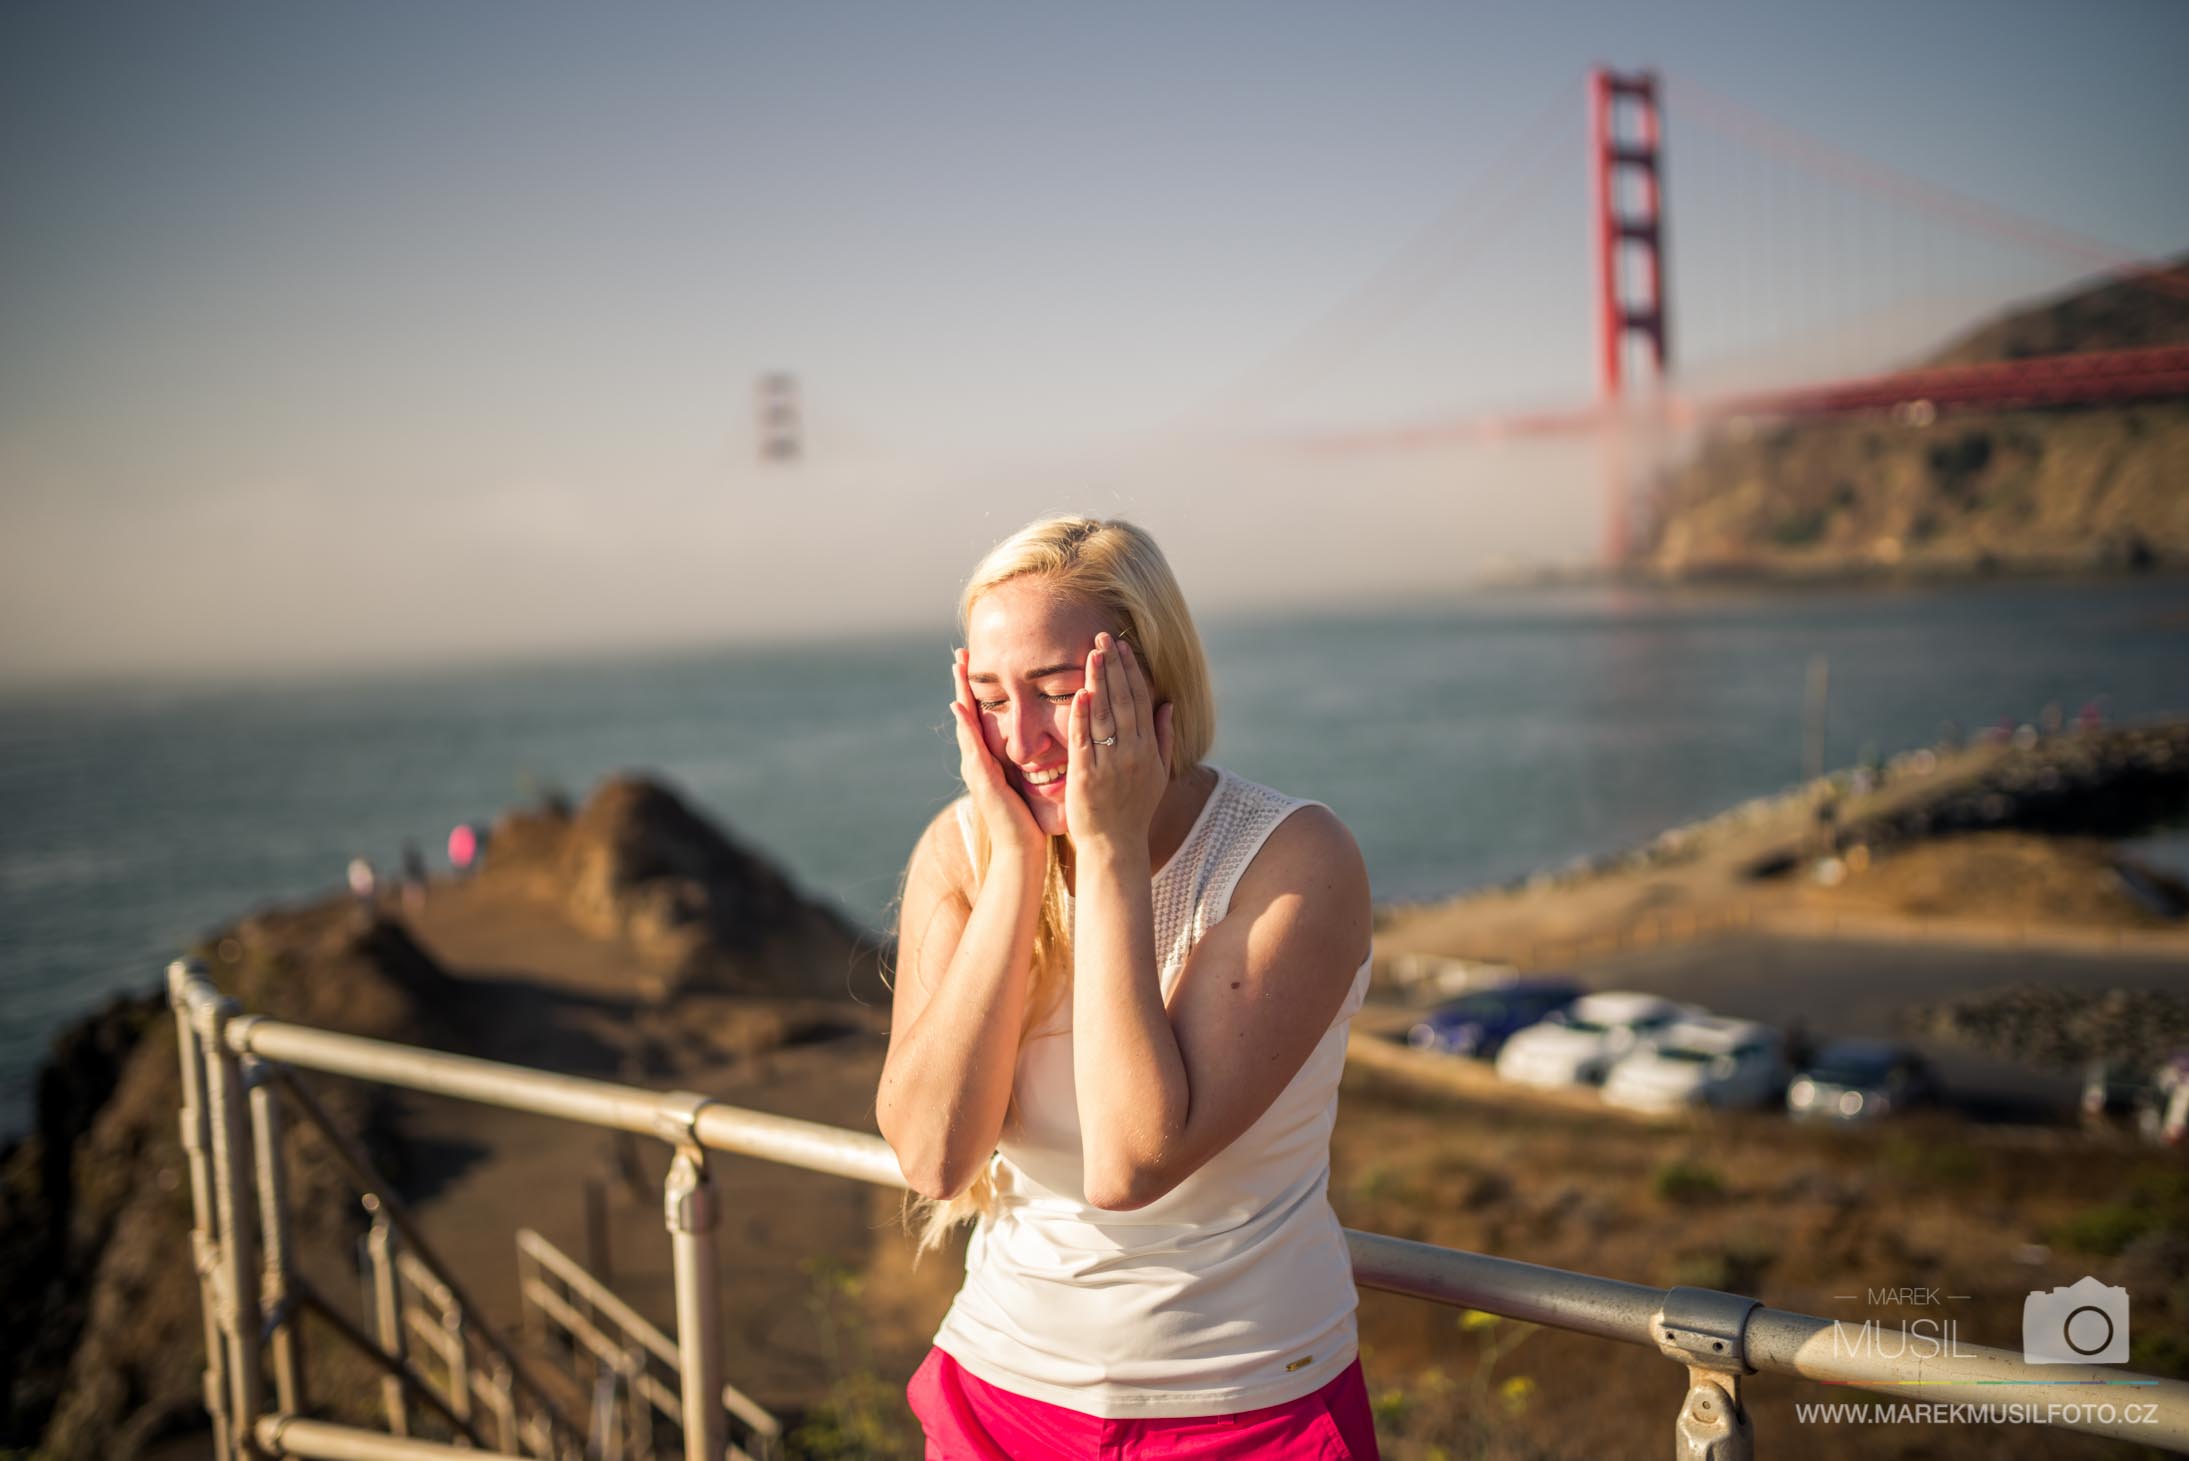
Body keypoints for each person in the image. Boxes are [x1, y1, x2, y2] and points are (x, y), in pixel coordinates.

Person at [875, 517, 1379, 1458]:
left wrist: (1107, 850)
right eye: (988, 697)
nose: (1021, 738)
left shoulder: (1295, 857)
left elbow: (1128, 1165)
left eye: (1059, 691)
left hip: (1249, 1407)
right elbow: (933, 1157)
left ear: (1156, 684)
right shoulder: (961, 849)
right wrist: (1017, 865)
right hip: (996, 1388)